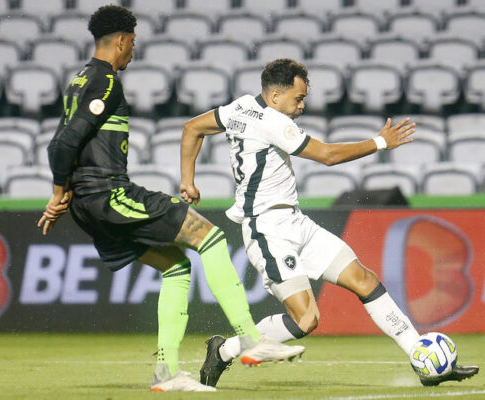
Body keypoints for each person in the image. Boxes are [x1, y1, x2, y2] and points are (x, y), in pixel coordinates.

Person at [37, 8, 304, 393]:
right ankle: (249, 339)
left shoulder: (79, 80)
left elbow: (64, 142)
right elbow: (61, 144)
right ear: (122, 40)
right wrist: (58, 191)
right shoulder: (105, 80)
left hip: (89, 202)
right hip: (107, 194)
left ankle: (167, 373)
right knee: (209, 238)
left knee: (175, 268)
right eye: (133, 42)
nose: (133, 50)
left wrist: (64, 195)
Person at [180, 58, 479, 387]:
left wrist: (188, 181)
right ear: (276, 96)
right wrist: (380, 142)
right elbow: (327, 156)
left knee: (364, 279)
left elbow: (192, 127)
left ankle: (421, 360)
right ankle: (224, 350)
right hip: (267, 230)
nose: (302, 105)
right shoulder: (273, 121)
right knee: (306, 319)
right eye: (298, 98)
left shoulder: (239, 108)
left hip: (295, 221)